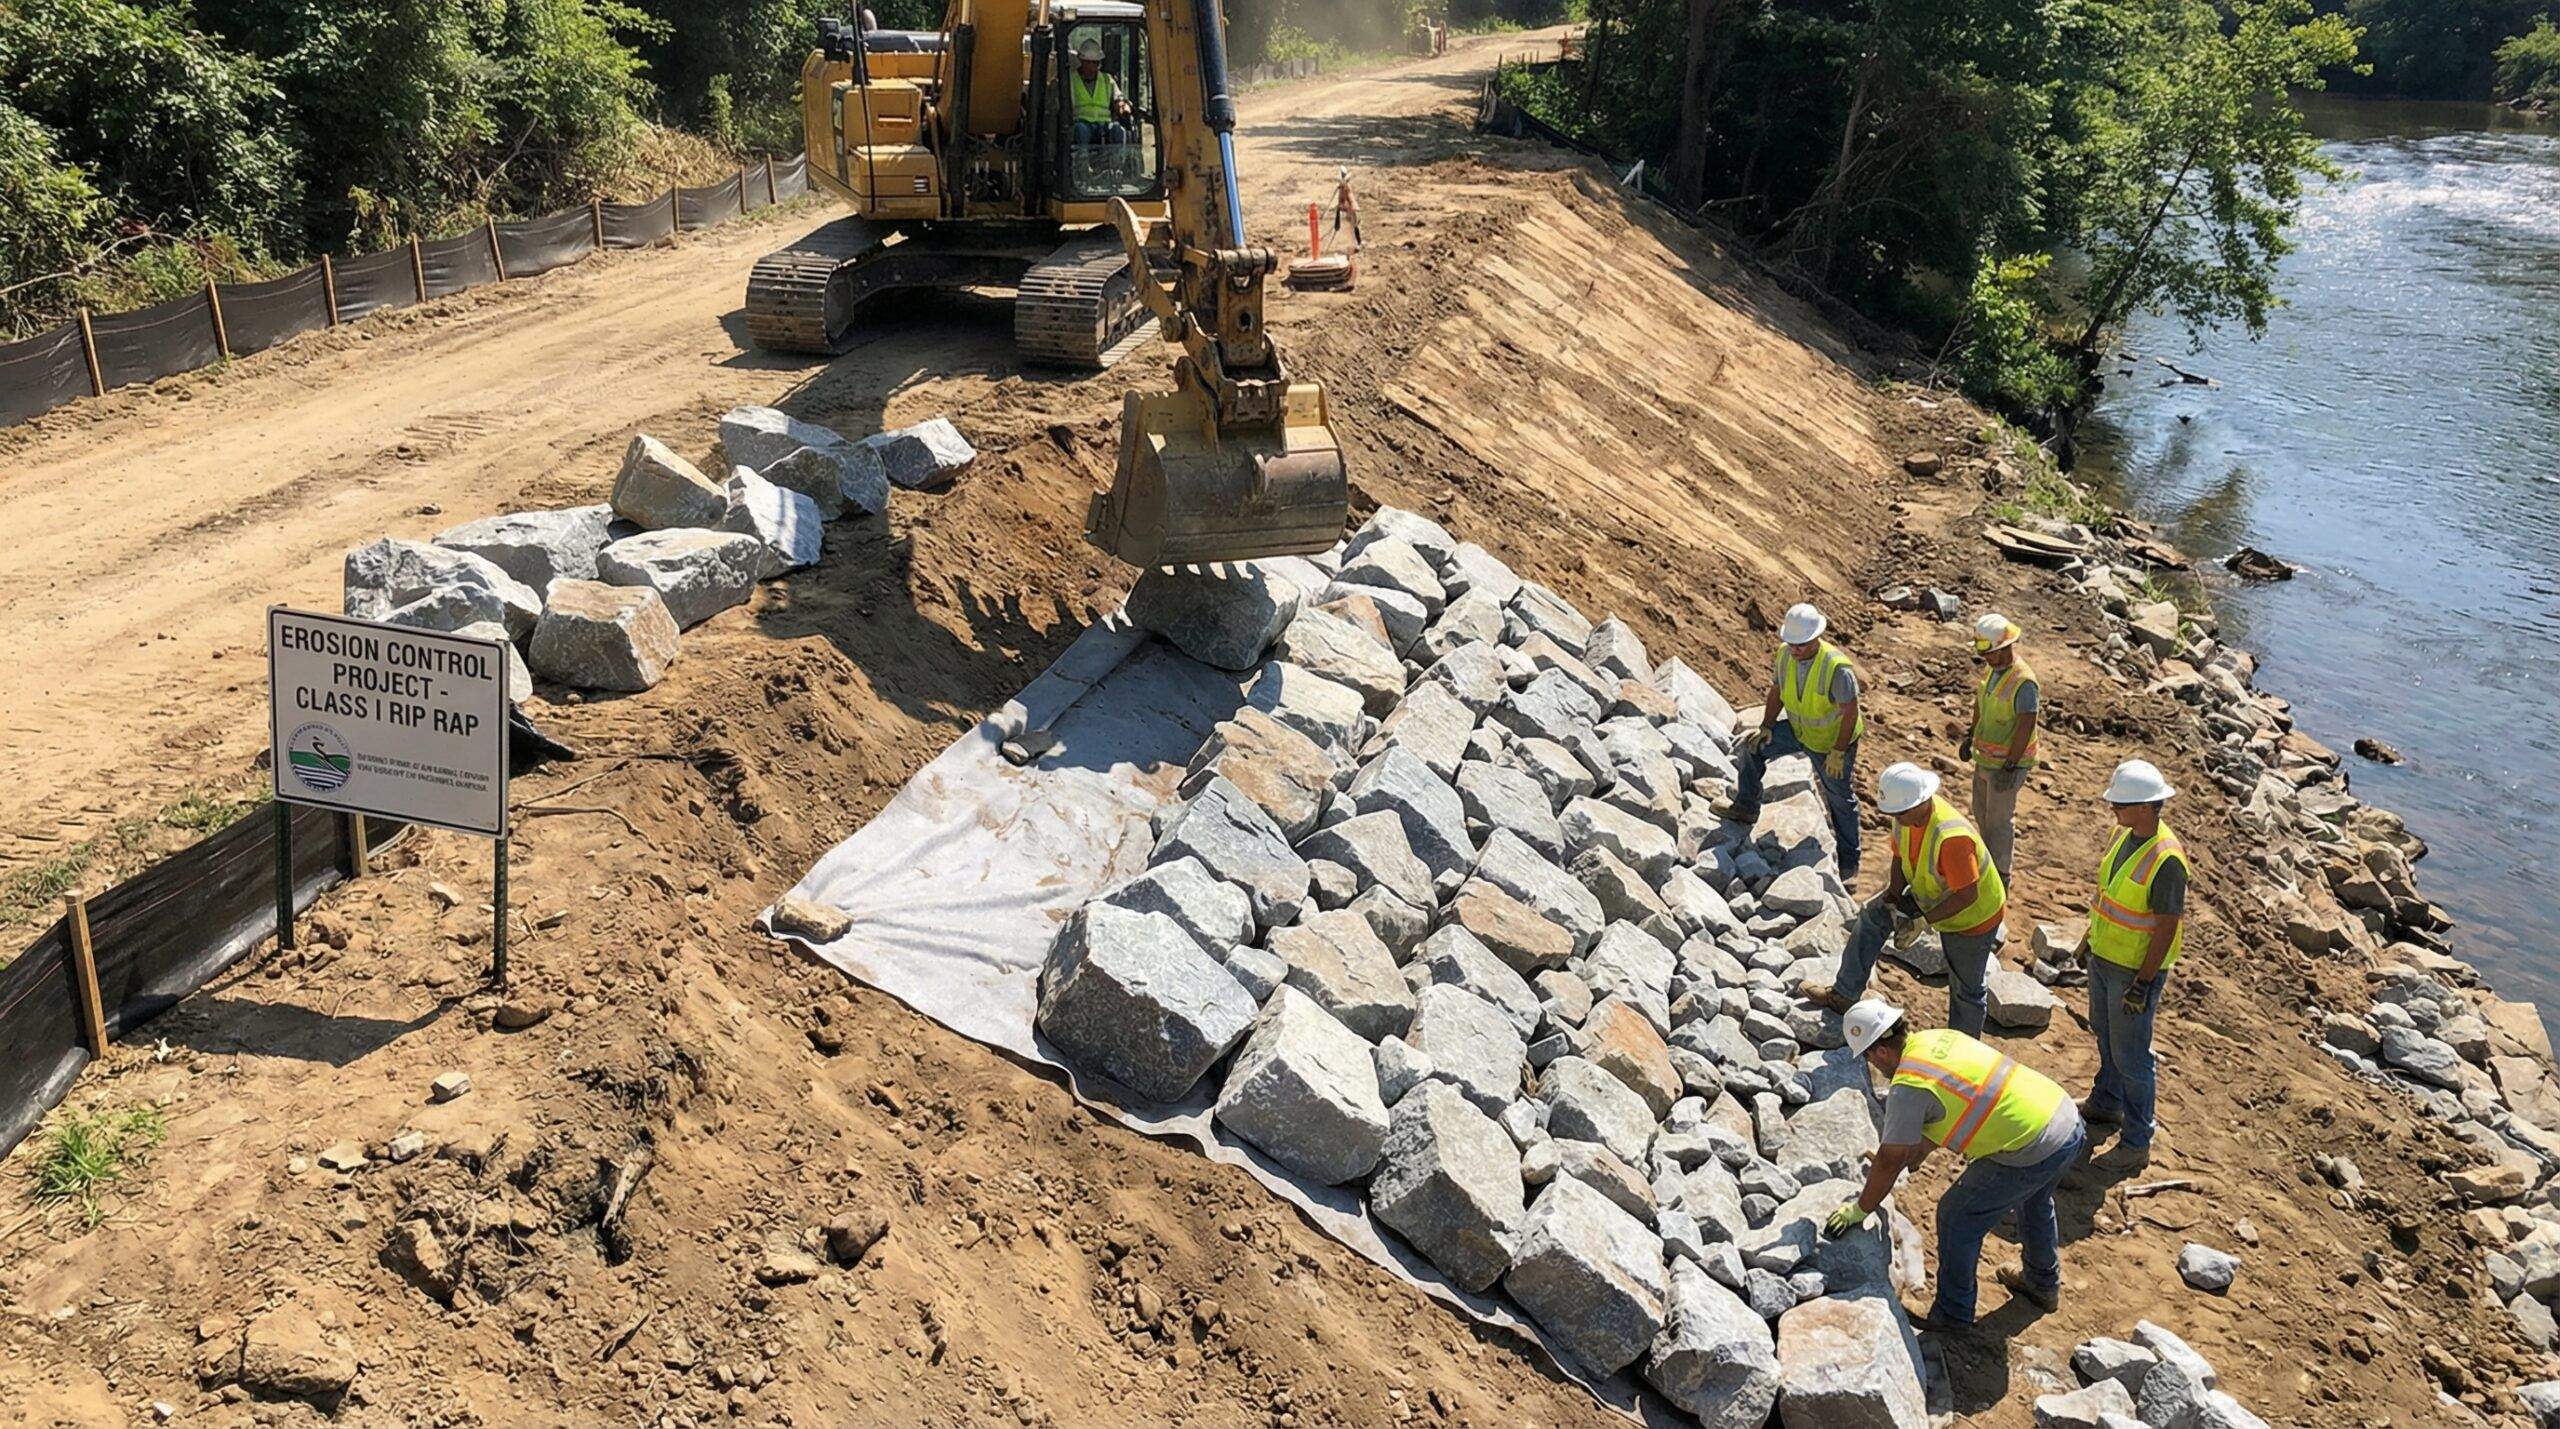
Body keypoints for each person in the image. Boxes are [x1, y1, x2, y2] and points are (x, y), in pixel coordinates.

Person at [1823, 999, 2086, 1332]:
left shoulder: (1909, 1084)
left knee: (1957, 1215)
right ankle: (2042, 1283)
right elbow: (1961, 1103)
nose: (1871, 1063)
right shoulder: (1938, 1038)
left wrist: (1861, 1208)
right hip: (2064, 1118)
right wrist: (1916, 1152)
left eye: (1867, 1056)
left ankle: (1953, 1314)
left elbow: (1889, 1160)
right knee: (2034, 1199)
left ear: (1881, 1052)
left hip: (2034, 1144)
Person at [1806, 763, 2007, 1034]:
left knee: (1966, 989)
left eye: (1901, 813)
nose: (1896, 818)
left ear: (1922, 801)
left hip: (1973, 917)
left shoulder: (1952, 838)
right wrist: (1892, 894)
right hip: (1932, 894)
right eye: (1893, 813)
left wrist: (1924, 920)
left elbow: (1967, 895)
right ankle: (1844, 994)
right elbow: (1900, 856)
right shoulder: (1905, 815)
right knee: (1872, 916)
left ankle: (1961, 1047)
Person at [2072, 758, 2188, 1175]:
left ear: (2144, 806)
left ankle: (2137, 1140)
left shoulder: (2167, 859)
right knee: (2105, 1035)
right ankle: (2107, 1102)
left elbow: (2166, 925)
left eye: (2119, 803)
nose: (2112, 809)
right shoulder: (2122, 835)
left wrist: (2143, 982)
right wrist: (2089, 940)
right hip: (2105, 958)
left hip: (2132, 971)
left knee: (2133, 1057)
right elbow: (2108, 895)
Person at [1723, 602, 1863, 878]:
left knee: (1839, 798)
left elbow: (1850, 713)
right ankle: (1746, 807)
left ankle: (1849, 863)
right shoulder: (1785, 655)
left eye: (1801, 644)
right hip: (1799, 731)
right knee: (1753, 749)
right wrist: (1766, 726)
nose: (1795, 649)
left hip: (1830, 743)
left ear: (1816, 637)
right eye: (1792, 643)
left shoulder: (1836, 668)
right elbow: (1777, 691)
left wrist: (1838, 751)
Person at [1963, 612, 2039, 883]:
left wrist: (2011, 765)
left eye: (1990, 653)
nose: (1986, 658)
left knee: (1999, 822)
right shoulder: (1993, 671)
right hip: (1986, 759)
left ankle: (2001, 875)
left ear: (2005, 647)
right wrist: (1970, 735)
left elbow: (2026, 724)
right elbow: (1981, 704)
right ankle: (1988, 865)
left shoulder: (2024, 682)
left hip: (2007, 764)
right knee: (1982, 814)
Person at [1070, 38, 1133, 147]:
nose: (1091, 67)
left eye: (1094, 63)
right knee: (1081, 131)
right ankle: (1082, 157)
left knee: (1118, 130)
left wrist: (1122, 106)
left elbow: (1118, 98)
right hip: (1082, 123)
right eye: (1088, 62)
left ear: (1099, 63)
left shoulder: (1107, 79)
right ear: (1081, 61)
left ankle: (1118, 158)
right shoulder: (1071, 79)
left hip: (1105, 124)